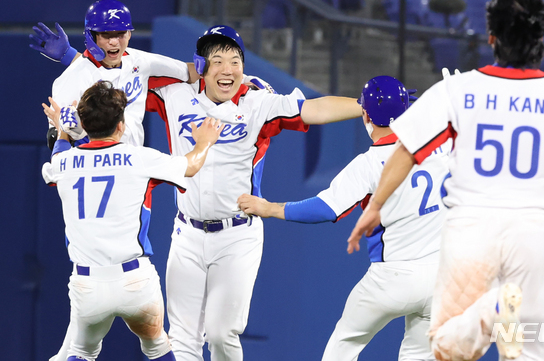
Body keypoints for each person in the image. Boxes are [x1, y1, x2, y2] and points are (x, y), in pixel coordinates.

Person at [349, 0, 544, 361]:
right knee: (528, 353)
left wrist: (377, 205)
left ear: (491, 38)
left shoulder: (458, 89)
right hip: (531, 241)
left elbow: (406, 149)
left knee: (450, 349)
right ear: (540, 43)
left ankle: (487, 316)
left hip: (473, 234)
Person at [145, 25, 363, 361]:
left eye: (235, 60)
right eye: (217, 60)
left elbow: (314, 110)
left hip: (236, 235)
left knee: (220, 334)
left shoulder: (257, 103)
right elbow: (125, 80)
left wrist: (365, 106)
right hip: (186, 232)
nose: (227, 69)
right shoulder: (174, 95)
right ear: (200, 66)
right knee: (184, 339)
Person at [237, 75, 448, 361]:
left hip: (392, 278)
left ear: (365, 115)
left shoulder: (370, 164)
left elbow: (325, 208)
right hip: (440, 276)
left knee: (343, 345)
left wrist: (271, 208)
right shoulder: (441, 145)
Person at [41, 80, 224, 361]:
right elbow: (190, 166)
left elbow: (60, 154)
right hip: (135, 282)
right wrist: (205, 142)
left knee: (79, 352)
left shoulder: (61, 164)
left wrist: (63, 131)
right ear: (121, 126)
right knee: (157, 346)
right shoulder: (138, 158)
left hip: (87, 284)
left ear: (86, 126)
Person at [30, 0, 201, 150]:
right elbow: (55, 139)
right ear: (92, 36)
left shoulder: (140, 61)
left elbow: (188, 72)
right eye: (106, 35)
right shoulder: (74, 77)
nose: (114, 41)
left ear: (129, 34)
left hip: (132, 163)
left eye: (120, 34)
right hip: (94, 166)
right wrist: (77, 133)